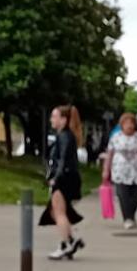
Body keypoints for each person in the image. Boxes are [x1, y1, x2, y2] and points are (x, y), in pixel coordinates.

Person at [41, 105, 86, 260]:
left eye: (54, 116)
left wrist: (56, 179)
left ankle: (65, 244)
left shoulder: (64, 136)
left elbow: (63, 161)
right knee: (56, 212)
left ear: (63, 120)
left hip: (64, 179)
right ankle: (70, 240)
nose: (51, 120)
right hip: (67, 177)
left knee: (59, 212)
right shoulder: (65, 136)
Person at [103, 112, 137, 230]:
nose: (129, 125)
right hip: (120, 171)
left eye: (132, 123)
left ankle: (131, 215)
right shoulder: (116, 137)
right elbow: (109, 155)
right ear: (122, 124)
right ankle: (127, 218)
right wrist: (106, 170)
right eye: (127, 123)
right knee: (123, 196)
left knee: (136, 195)